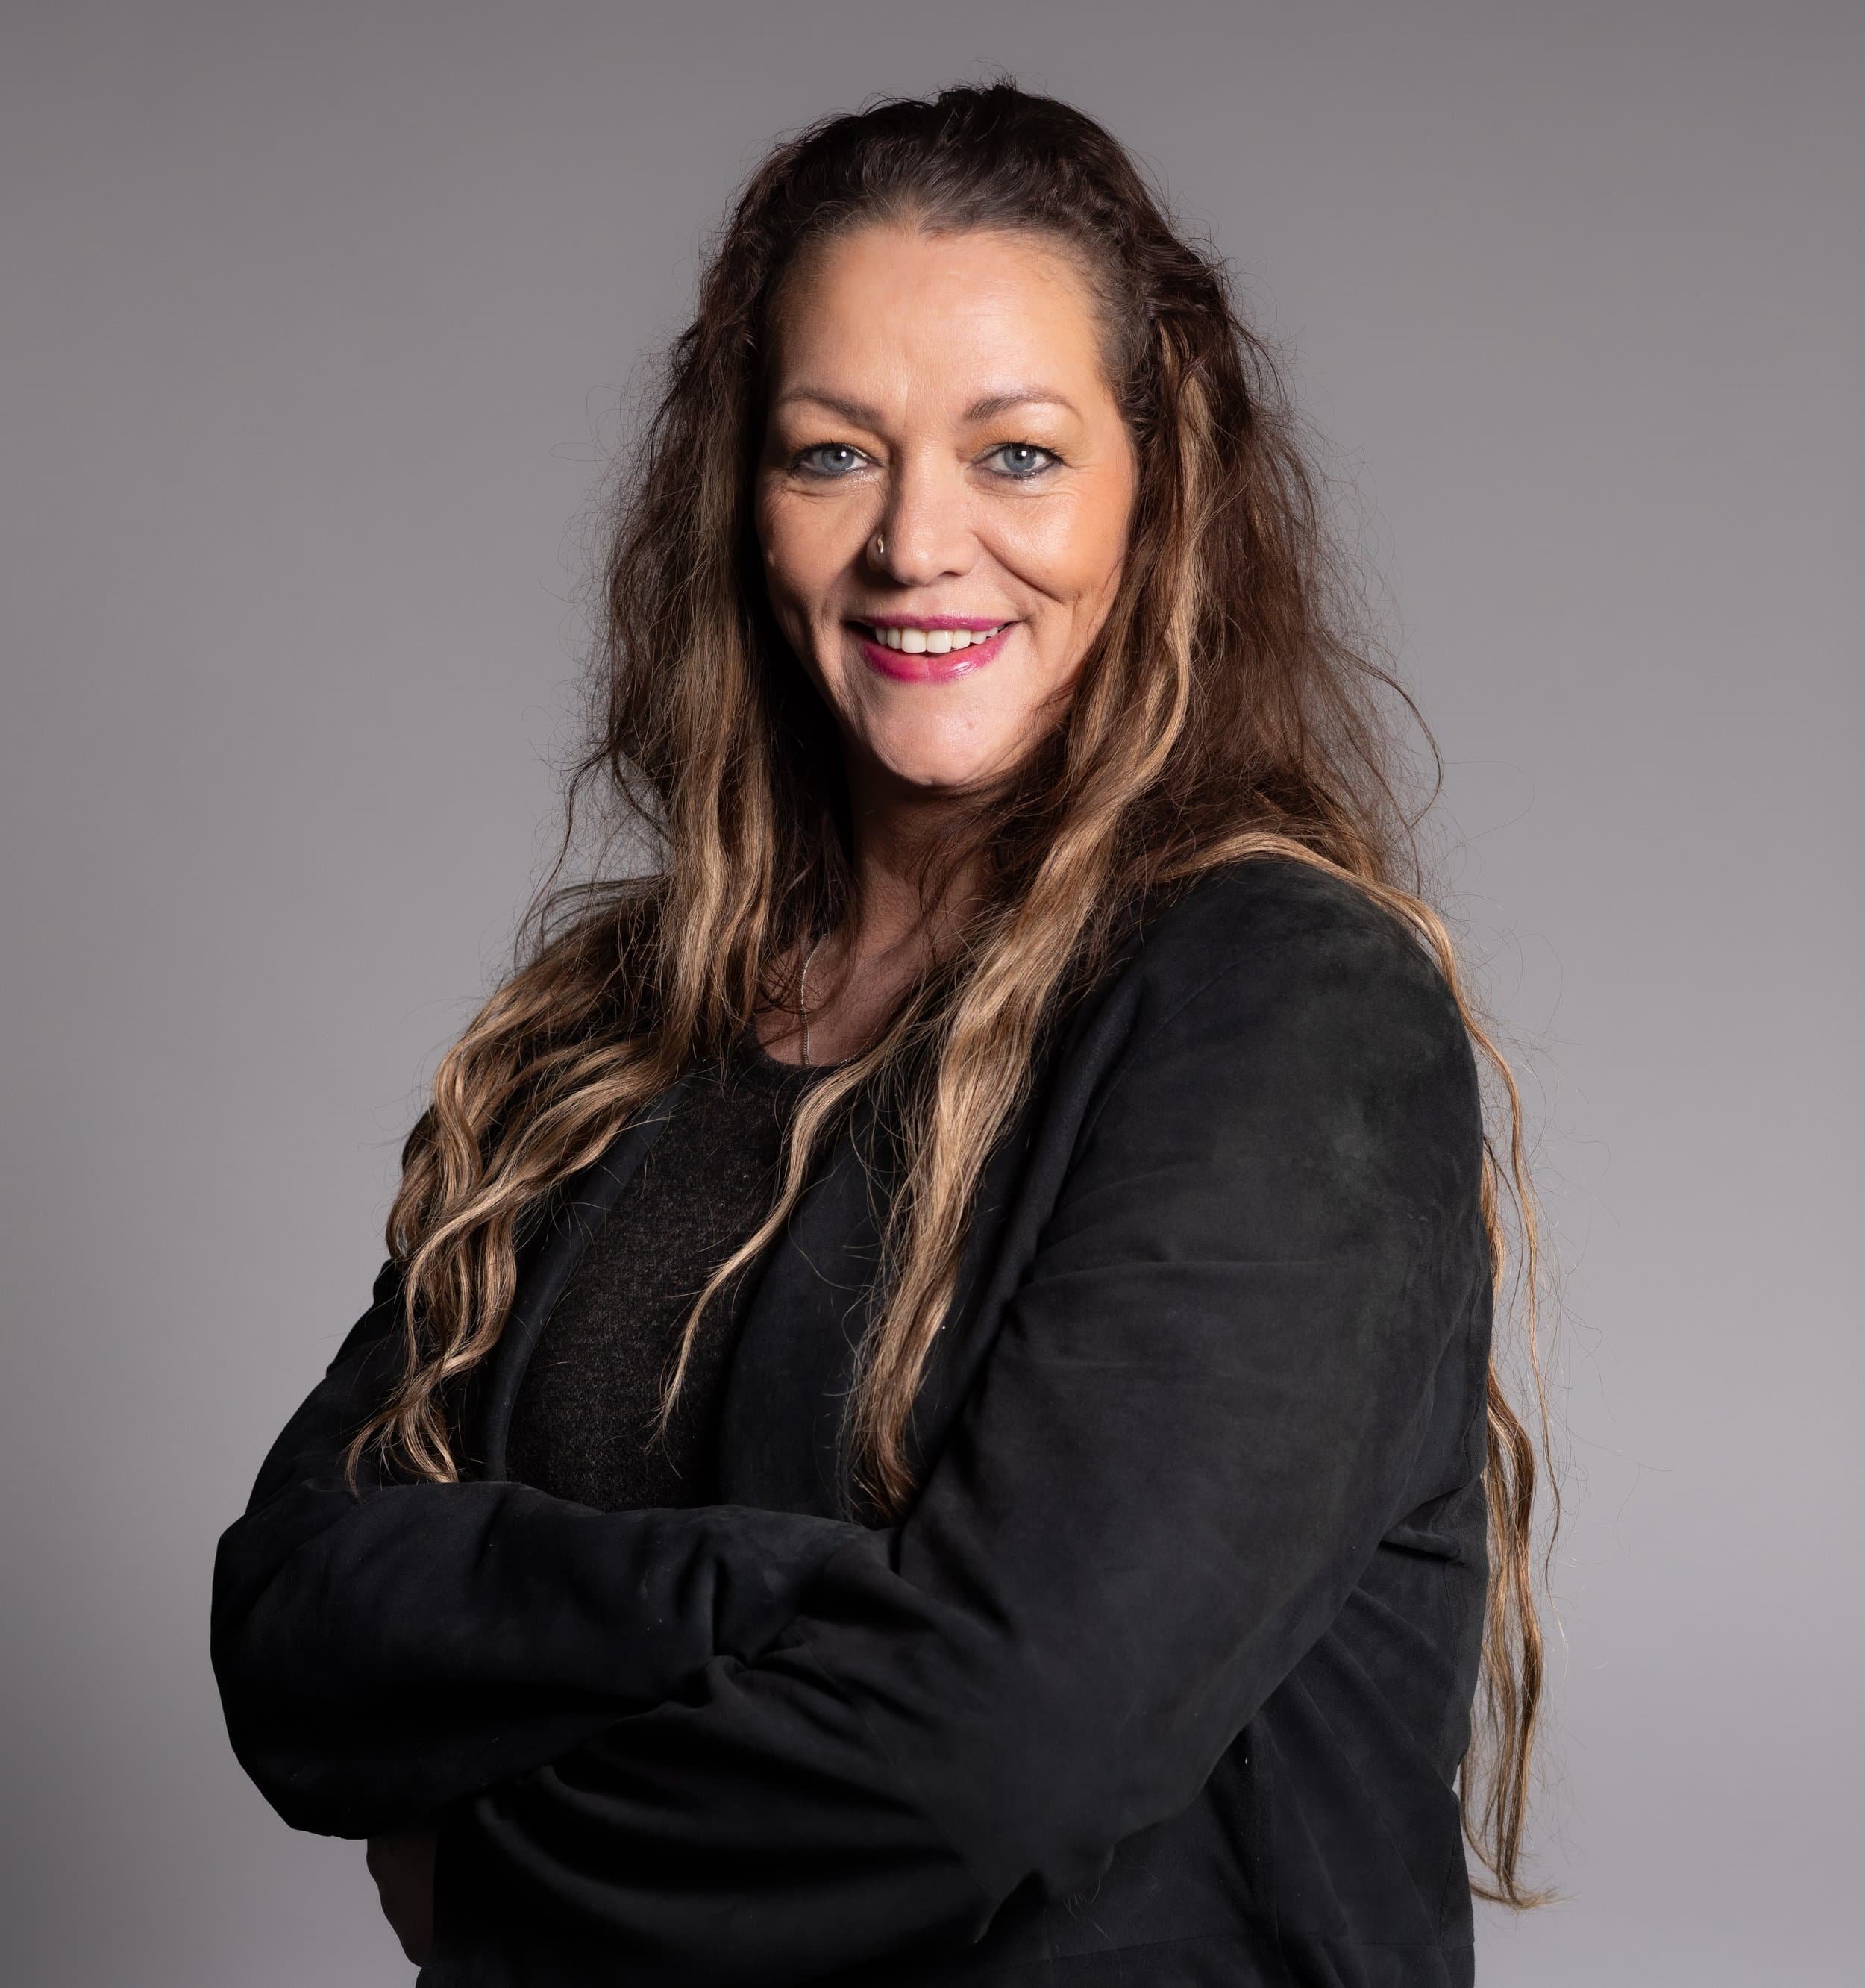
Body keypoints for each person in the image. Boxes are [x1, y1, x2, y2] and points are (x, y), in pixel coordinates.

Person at [210, 81, 1549, 1987]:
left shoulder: (1282, 1010)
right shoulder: (610, 1037)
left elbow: (994, 1759)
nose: (917, 542)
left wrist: (480, 1895)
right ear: (741, 503)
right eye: (833, 454)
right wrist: (765, 1594)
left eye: (1014, 455)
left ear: (1152, 487)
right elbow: (291, 1613)